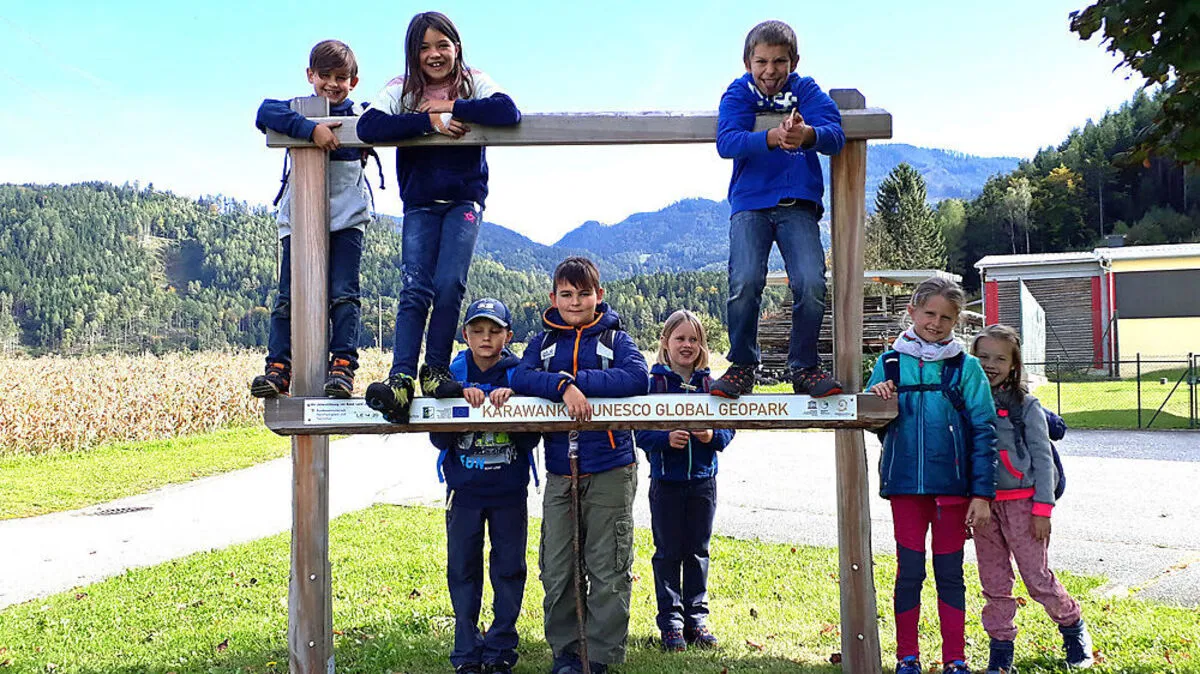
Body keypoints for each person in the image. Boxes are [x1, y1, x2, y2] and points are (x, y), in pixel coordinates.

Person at [358, 11, 521, 423]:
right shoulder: (402, 89)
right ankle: (401, 378)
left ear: (457, 47)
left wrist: (455, 106)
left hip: (464, 200)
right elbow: (369, 124)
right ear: (413, 53)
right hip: (420, 203)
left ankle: (435, 369)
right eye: (425, 47)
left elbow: (508, 111)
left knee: (449, 283)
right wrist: (429, 120)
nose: (435, 54)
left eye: (442, 45)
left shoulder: (473, 81)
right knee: (415, 289)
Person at [510, 257, 649, 674]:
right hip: (559, 470)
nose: (575, 301)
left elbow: (636, 377)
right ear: (553, 298)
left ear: (598, 296)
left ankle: (601, 657)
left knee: (608, 567)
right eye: (566, 294)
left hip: (610, 468)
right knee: (558, 567)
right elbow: (521, 376)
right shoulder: (542, 342)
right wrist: (561, 386)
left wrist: (578, 382)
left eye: (584, 293)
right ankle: (567, 654)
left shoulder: (615, 338)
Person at [867, 277, 997, 674]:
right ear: (912, 310)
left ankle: (955, 658)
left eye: (946, 317)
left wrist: (982, 493)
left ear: (957, 320)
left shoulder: (967, 367)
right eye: (929, 313)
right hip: (905, 486)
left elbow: (984, 430)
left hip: (954, 492)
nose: (936, 323)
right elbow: (870, 419)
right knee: (909, 573)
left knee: (949, 574)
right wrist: (880, 399)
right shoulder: (889, 362)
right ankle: (907, 656)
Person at [711, 19, 846, 400]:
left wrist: (808, 135)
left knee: (812, 282)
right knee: (745, 282)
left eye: (779, 62)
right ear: (747, 62)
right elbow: (727, 141)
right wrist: (772, 137)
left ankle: (804, 366)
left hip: (799, 206)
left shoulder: (807, 91)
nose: (770, 71)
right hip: (750, 205)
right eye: (762, 62)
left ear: (794, 61)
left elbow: (835, 136)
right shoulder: (737, 93)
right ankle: (741, 365)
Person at [250, 39, 372, 399]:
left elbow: (380, 127)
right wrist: (310, 130)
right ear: (310, 75)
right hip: (298, 221)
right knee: (288, 296)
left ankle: (343, 366)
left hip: (347, 220)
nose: (332, 84)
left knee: (344, 295)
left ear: (354, 81)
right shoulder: (296, 110)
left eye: (341, 77)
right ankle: (279, 367)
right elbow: (263, 111)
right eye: (325, 75)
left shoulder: (362, 113)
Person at [970, 325, 1094, 673]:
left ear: (1014, 365)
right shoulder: (965, 402)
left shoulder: (1026, 406)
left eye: (999, 358)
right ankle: (1001, 652)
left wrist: (1043, 509)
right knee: (994, 582)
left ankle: (1072, 627)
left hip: (1025, 506)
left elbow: (1043, 459)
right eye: (982, 357)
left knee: (1036, 578)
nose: (990, 364)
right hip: (983, 508)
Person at [430, 298, 539, 674]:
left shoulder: (519, 375)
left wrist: (512, 412)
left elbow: (532, 440)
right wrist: (461, 409)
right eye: (478, 331)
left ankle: (501, 648)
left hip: (509, 493)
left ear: (509, 336)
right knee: (462, 569)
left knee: (509, 569)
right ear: (466, 335)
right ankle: (465, 651)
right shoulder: (452, 375)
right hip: (464, 494)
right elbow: (437, 439)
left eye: (495, 331)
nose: (486, 338)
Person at [634, 310, 734, 652]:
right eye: (680, 339)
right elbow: (639, 431)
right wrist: (664, 439)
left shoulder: (714, 386)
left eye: (694, 339)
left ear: (702, 345)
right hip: (666, 481)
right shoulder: (653, 385)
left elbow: (729, 428)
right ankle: (672, 623)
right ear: (665, 343)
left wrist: (712, 435)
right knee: (667, 552)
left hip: (703, 481)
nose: (687, 345)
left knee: (698, 551)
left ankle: (697, 619)